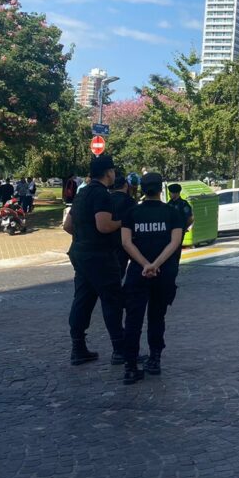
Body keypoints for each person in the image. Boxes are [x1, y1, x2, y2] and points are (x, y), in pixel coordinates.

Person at [120, 172, 184, 384]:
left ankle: (130, 366)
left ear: (142, 189)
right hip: (163, 273)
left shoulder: (131, 213)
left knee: (133, 320)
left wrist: (144, 264)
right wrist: (156, 265)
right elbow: (175, 242)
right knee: (157, 317)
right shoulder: (172, 213)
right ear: (160, 189)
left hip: (137, 273)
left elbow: (126, 243)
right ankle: (155, 359)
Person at [63, 155, 124, 366]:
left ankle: (78, 348)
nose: (114, 174)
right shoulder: (102, 194)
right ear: (108, 173)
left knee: (83, 299)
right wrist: (123, 222)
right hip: (100, 256)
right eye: (113, 171)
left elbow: (67, 226)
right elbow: (104, 226)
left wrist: (84, 236)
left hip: (80, 254)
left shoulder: (82, 193)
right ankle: (120, 349)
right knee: (112, 300)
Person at [109, 173, 137, 281]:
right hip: (125, 239)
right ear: (125, 185)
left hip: (108, 239)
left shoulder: (107, 199)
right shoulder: (130, 201)